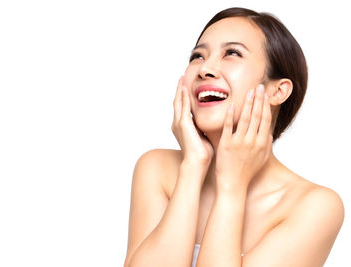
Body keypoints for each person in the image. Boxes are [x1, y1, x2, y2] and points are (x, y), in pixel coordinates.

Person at [123, 7, 344, 267]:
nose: (205, 68)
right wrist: (193, 167)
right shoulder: (157, 169)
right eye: (197, 56)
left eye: (232, 53)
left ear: (278, 91)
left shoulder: (314, 206)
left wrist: (231, 187)